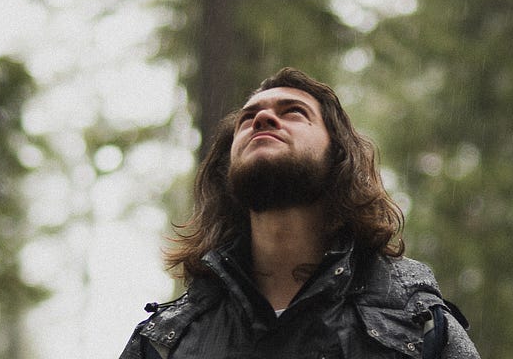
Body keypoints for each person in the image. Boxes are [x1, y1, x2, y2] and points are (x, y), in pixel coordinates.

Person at [120, 67, 480, 358]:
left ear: (337, 155)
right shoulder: (168, 340)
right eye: (248, 118)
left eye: (293, 112)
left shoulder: (414, 319)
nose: (262, 119)